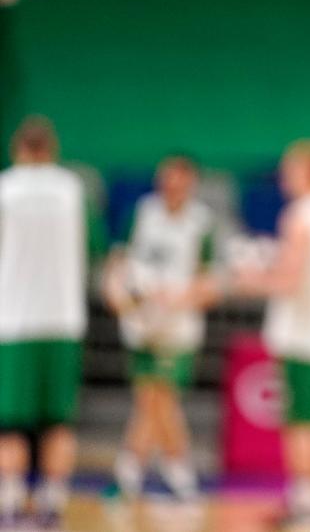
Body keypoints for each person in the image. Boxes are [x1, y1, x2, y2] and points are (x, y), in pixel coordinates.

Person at [232, 139, 310, 526]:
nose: (285, 177)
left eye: (290, 169)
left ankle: (306, 501)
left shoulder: (303, 215)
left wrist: (247, 279)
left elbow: (288, 279)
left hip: (301, 332)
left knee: (301, 419)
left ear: (309, 171)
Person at [102, 154, 218, 503]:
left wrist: (181, 298)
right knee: (149, 398)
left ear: (191, 182)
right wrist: (118, 295)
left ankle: (149, 473)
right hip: (141, 323)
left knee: (160, 397)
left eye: (180, 179)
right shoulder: (142, 212)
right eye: (166, 178)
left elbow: (209, 281)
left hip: (177, 326)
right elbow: (117, 264)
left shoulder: (201, 221)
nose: (172, 185)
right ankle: (168, 473)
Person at [0, 116, 89, 529]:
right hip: (63, 321)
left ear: (18, 149)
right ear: (51, 149)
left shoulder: (5, 189)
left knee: (11, 421)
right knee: (59, 419)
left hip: (14, 323)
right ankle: (53, 503)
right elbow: (96, 248)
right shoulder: (73, 190)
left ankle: (14, 500)